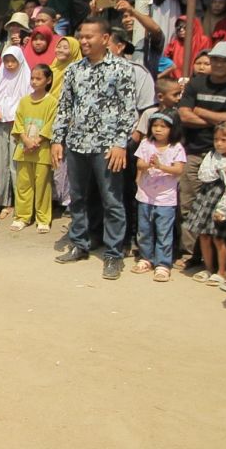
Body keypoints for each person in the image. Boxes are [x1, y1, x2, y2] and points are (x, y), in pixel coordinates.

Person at [52, 16, 138, 280]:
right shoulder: (74, 70)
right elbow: (64, 106)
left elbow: (128, 111)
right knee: (77, 198)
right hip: (77, 144)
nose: (84, 41)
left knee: (112, 200)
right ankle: (80, 243)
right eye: (82, 36)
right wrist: (58, 139)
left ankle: (113, 254)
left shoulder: (122, 69)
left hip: (107, 147)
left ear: (105, 39)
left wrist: (120, 144)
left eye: (90, 36)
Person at [178, 42, 226, 265]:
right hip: (195, 152)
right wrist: (219, 119)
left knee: (220, 211)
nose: (218, 64)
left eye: (224, 60)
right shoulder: (196, 84)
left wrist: (199, 111)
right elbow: (184, 116)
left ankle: (218, 265)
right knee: (189, 206)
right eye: (215, 59)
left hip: (224, 157)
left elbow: (193, 113)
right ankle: (192, 255)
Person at [130, 111, 185, 282]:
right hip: (145, 195)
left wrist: (161, 166)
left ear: (172, 129)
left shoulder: (176, 148)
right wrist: (148, 165)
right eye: (155, 126)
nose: (158, 130)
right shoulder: (146, 143)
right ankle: (146, 258)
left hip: (166, 199)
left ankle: (162, 264)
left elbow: (178, 170)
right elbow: (139, 163)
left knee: (163, 231)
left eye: (163, 126)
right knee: (144, 230)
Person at [10, 64, 57, 232]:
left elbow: (52, 123)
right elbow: (18, 122)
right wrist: (25, 139)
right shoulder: (24, 101)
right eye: (32, 78)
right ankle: (22, 216)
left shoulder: (52, 102)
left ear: (48, 80)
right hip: (23, 150)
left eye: (39, 78)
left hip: (42, 151)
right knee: (23, 184)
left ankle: (43, 218)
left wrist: (36, 140)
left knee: (43, 185)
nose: (34, 81)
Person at [0, 47, 32, 218]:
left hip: (18, 127)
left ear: (20, 61)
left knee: (16, 166)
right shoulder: (0, 77)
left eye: (13, 60)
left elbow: (29, 102)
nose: (10, 64)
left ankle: (19, 205)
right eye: (6, 61)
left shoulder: (26, 79)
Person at [187, 123, 226, 286]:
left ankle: (222, 271)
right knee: (204, 235)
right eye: (216, 139)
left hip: (223, 203)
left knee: (220, 238)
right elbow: (203, 174)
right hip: (207, 199)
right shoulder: (212, 156)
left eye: (223, 139)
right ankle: (208, 268)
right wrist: (220, 170)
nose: (218, 143)